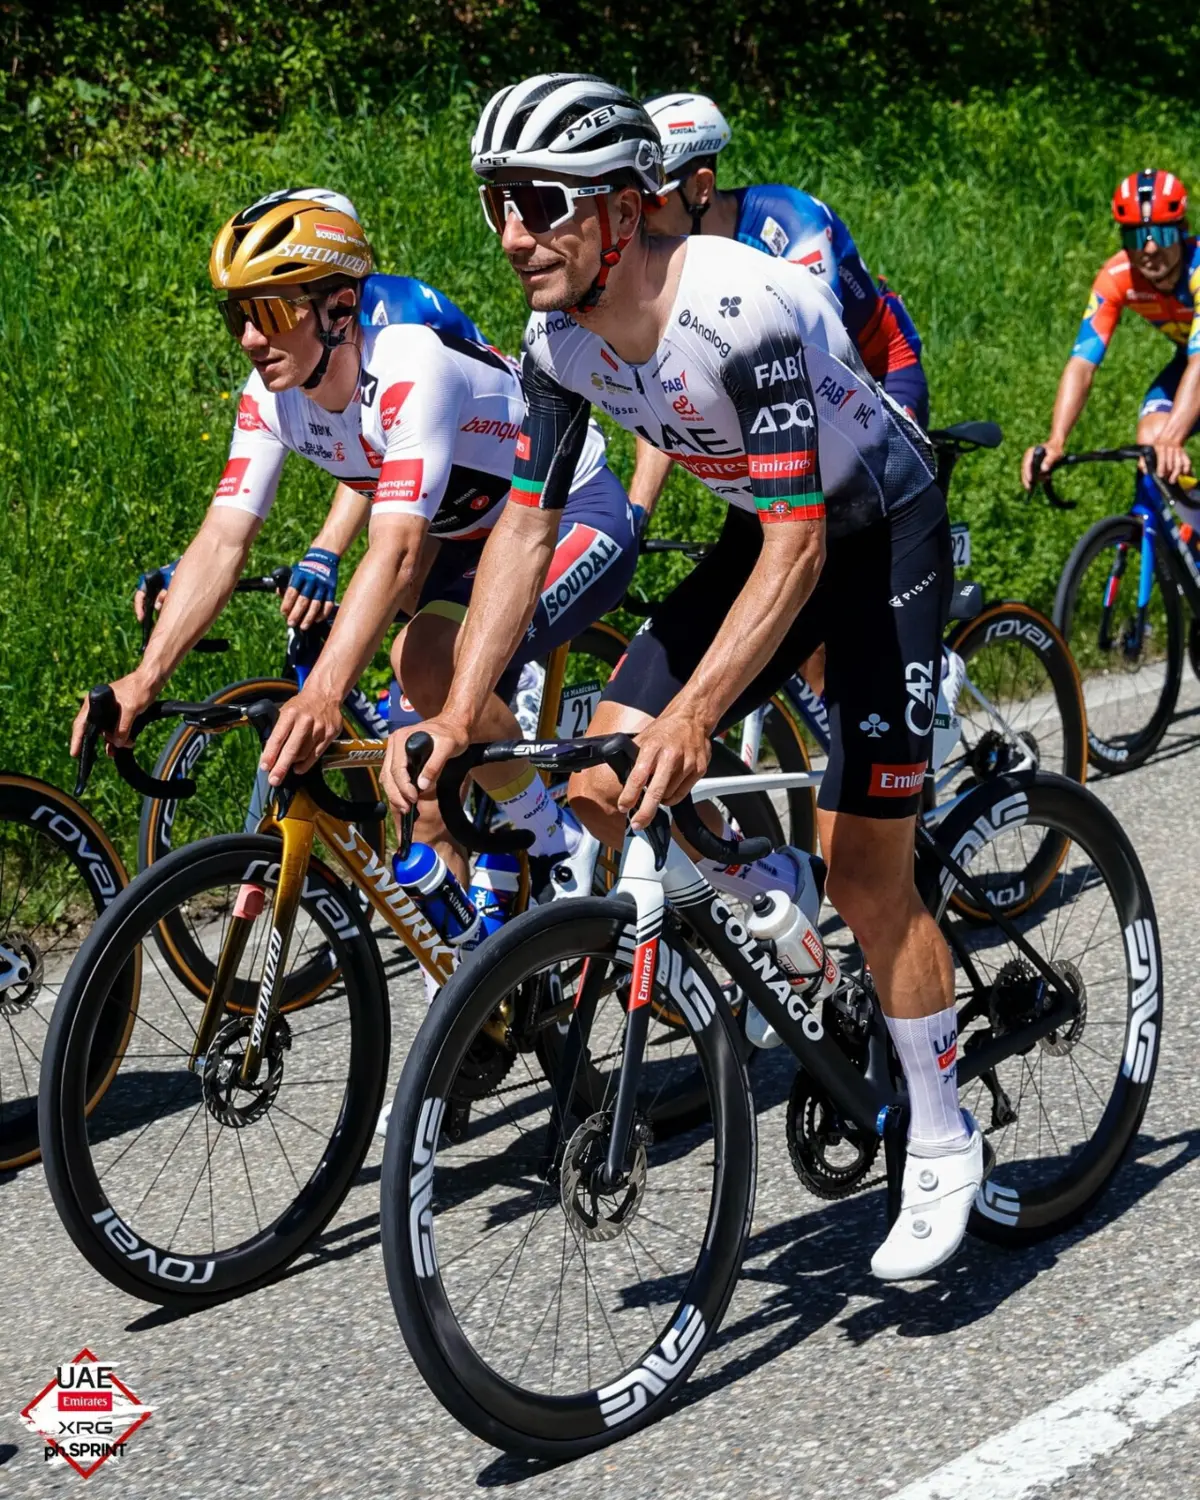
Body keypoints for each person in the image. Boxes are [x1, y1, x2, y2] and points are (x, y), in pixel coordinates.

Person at [390, 72, 981, 1280]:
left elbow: (804, 543)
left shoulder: (738, 309)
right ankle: (761, 891)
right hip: (762, 528)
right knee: (608, 776)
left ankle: (942, 1130)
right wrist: (456, 716)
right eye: (498, 203)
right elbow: (519, 527)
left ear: (622, 210)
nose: (513, 234)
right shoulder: (556, 339)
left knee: (863, 864)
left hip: (874, 529)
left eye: (540, 203)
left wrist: (702, 714)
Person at [72, 189, 637, 889]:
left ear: (338, 308)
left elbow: (394, 549)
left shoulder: (407, 364)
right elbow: (222, 538)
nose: (250, 338)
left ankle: (555, 842)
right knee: (417, 777)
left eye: (271, 312)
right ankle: (480, 954)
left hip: (570, 516)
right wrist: (145, 676)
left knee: (424, 659)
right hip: (464, 538)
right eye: (236, 315)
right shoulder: (265, 397)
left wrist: (323, 696)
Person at [630, 91, 929, 522]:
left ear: (701, 187)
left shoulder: (792, 224)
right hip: (774, 397)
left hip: (877, 372)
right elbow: (665, 391)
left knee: (864, 518)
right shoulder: (663, 259)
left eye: (651, 201)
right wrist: (637, 513)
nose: (636, 220)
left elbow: (815, 363)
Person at [1022, 169, 1199, 506]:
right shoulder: (1117, 277)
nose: (1148, 248)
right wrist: (1057, 440)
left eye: (1161, 235)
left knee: (1167, 440)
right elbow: (1082, 364)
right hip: (1189, 363)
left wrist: (1174, 438)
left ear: (1182, 232)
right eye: (1136, 237)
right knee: (1151, 440)